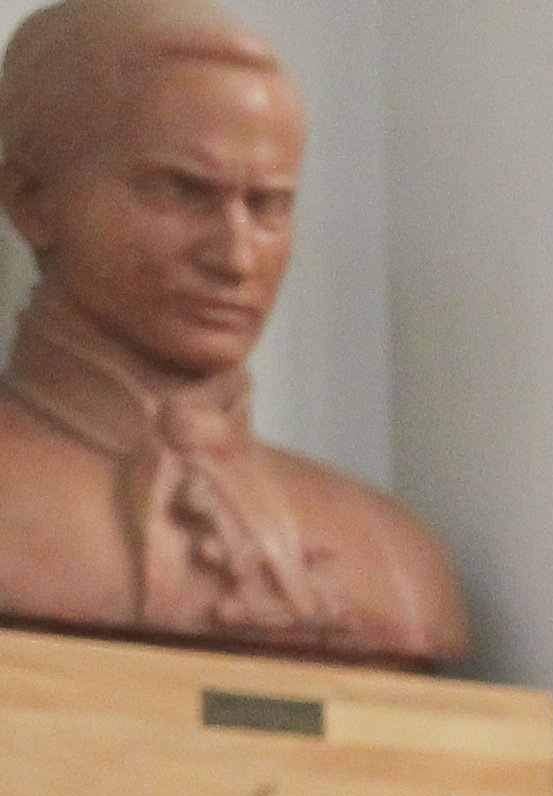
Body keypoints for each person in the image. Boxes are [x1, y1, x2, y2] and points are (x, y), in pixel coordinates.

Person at [0, 0, 467, 664]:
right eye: (182, 193)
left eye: (267, 205)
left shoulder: (398, 563)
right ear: (32, 200)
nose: (236, 258)